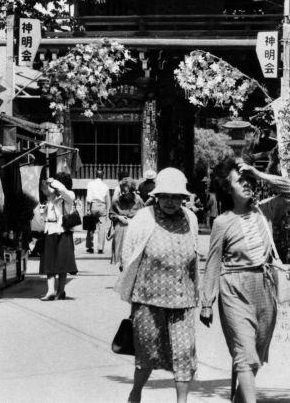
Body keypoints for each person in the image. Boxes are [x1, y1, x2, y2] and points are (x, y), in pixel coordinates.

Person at [200, 158, 290, 403]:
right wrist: (206, 301)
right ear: (227, 188)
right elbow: (213, 262)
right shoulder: (222, 222)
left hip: (265, 288)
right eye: (239, 181)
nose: (246, 185)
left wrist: (259, 173)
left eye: (248, 181)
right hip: (234, 288)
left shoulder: (264, 211)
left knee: (255, 354)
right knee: (245, 355)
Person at [115, 167, 199, 403]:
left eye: (177, 197)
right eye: (166, 196)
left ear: (183, 198)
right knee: (146, 353)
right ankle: (136, 392)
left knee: (184, 354)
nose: (171, 202)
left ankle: (181, 401)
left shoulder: (190, 218)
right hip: (147, 298)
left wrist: (200, 298)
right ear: (157, 196)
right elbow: (128, 255)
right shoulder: (144, 217)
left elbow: (194, 257)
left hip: (182, 299)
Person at [38, 171, 78, 300]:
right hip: (50, 230)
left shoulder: (69, 194)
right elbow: (45, 212)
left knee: (62, 264)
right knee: (49, 263)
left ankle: (60, 291)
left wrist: (54, 182)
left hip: (62, 231)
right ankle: (50, 290)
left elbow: (65, 192)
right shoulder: (51, 197)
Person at [108, 176, 144, 269]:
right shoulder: (117, 200)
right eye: (123, 191)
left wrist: (134, 220)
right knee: (121, 258)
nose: (124, 193)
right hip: (121, 228)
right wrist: (119, 217)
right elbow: (111, 214)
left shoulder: (138, 200)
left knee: (132, 256)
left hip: (134, 229)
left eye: (126, 191)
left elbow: (145, 215)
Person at [84, 170, 112, 253]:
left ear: (95, 175)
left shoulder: (90, 184)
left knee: (91, 227)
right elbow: (108, 201)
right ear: (102, 176)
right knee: (102, 228)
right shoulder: (105, 186)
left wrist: (88, 209)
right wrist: (107, 212)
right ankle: (100, 248)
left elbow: (89, 198)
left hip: (94, 205)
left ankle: (90, 247)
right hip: (102, 206)